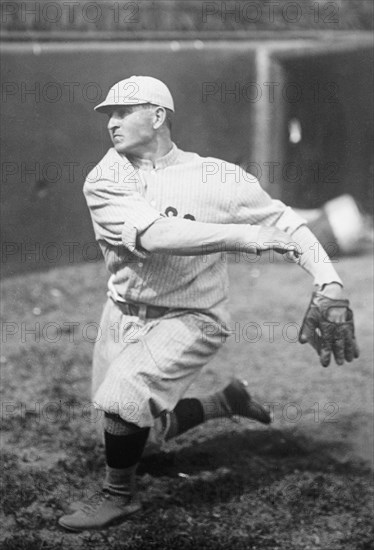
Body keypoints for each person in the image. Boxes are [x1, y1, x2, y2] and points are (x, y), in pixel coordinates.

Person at [58, 76, 359, 531]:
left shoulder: (217, 177)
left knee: (122, 400)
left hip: (192, 314)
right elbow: (158, 235)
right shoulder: (106, 177)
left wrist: (330, 281)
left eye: (122, 112)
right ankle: (226, 401)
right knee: (138, 434)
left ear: (158, 116)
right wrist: (247, 236)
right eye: (108, 115)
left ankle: (118, 496)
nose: (112, 123)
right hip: (121, 312)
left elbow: (285, 222)